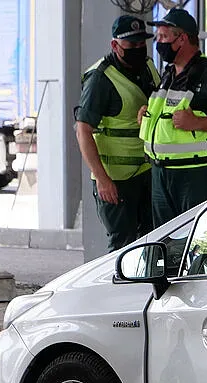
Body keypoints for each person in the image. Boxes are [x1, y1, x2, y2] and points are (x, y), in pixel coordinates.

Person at [140, 8, 207, 227]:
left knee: (196, 237)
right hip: (161, 173)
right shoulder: (169, 74)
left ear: (182, 39)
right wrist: (147, 117)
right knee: (165, 240)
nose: (158, 43)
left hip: (197, 175)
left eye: (163, 37)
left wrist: (197, 123)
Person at [74, 15, 159, 252]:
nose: (138, 49)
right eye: (132, 44)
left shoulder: (148, 67)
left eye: (141, 43)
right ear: (115, 45)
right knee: (123, 246)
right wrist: (102, 179)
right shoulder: (100, 78)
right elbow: (83, 130)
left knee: (153, 241)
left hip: (147, 172)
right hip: (116, 180)